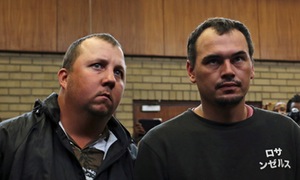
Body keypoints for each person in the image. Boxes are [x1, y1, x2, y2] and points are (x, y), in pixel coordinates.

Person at [134, 17, 300, 180]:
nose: (228, 70)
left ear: (252, 67)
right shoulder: (160, 146)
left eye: (238, 59)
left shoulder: (287, 133)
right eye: (214, 61)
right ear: (191, 71)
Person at [0, 33, 137, 180]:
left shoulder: (134, 158)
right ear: (65, 78)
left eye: (118, 72)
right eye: (97, 66)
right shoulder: (9, 141)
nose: (111, 79)